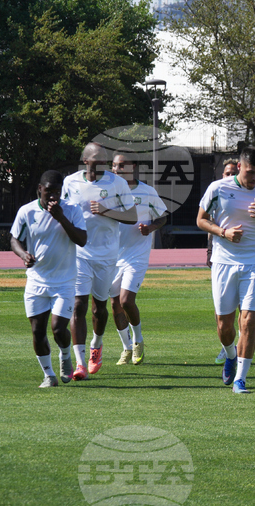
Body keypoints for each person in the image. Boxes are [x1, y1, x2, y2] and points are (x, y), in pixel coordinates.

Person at [197, 146, 255, 394]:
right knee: (225, 325)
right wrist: (224, 233)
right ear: (239, 167)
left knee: (249, 321)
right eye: (249, 172)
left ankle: (240, 379)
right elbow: (200, 220)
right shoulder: (219, 188)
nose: (253, 177)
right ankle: (230, 354)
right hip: (224, 263)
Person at [63, 142, 136, 380]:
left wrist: (107, 211)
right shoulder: (71, 182)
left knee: (99, 307)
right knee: (78, 305)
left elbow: (132, 215)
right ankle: (80, 362)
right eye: (97, 159)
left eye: (104, 159)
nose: (102, 163)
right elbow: (62, 212)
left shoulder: (118, 183)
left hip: (107, 255)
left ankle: (97, 344)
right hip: (79, 253)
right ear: (85, 160)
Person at [11, 171, 87, 387]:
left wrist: (60, 217)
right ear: (39, 189)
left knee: (57, 329)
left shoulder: (71, 210)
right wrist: (24, 254)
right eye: (49, 191)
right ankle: (48, 375)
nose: (53, 196)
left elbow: (82, 240)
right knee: (37, 330)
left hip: (64, 282)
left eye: (57, 191)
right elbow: (14, 239)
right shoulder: (27, 212)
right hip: (36, 281)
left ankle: (65, 355)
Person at [110, 151, 167, 366]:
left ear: (134, 167)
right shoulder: (108, 192)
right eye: (115, 166)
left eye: (122, 165)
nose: (118, 169)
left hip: (137, 255)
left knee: (126, 300)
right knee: (115, 304)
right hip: (112, 256)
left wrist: (150, 227)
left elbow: (162, 217)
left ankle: (138, 341)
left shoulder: (147, 192)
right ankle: (125, 348)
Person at [213, 159, 240, 364]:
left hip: (248, 260)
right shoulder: (217, 191)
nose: (229, 176)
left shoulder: (249, 191)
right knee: (221, 310)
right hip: (221, 258)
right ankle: (227, 346)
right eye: (226, 173)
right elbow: (206, 221)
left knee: (243, 309)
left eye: (232, 173)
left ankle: (239, 346)